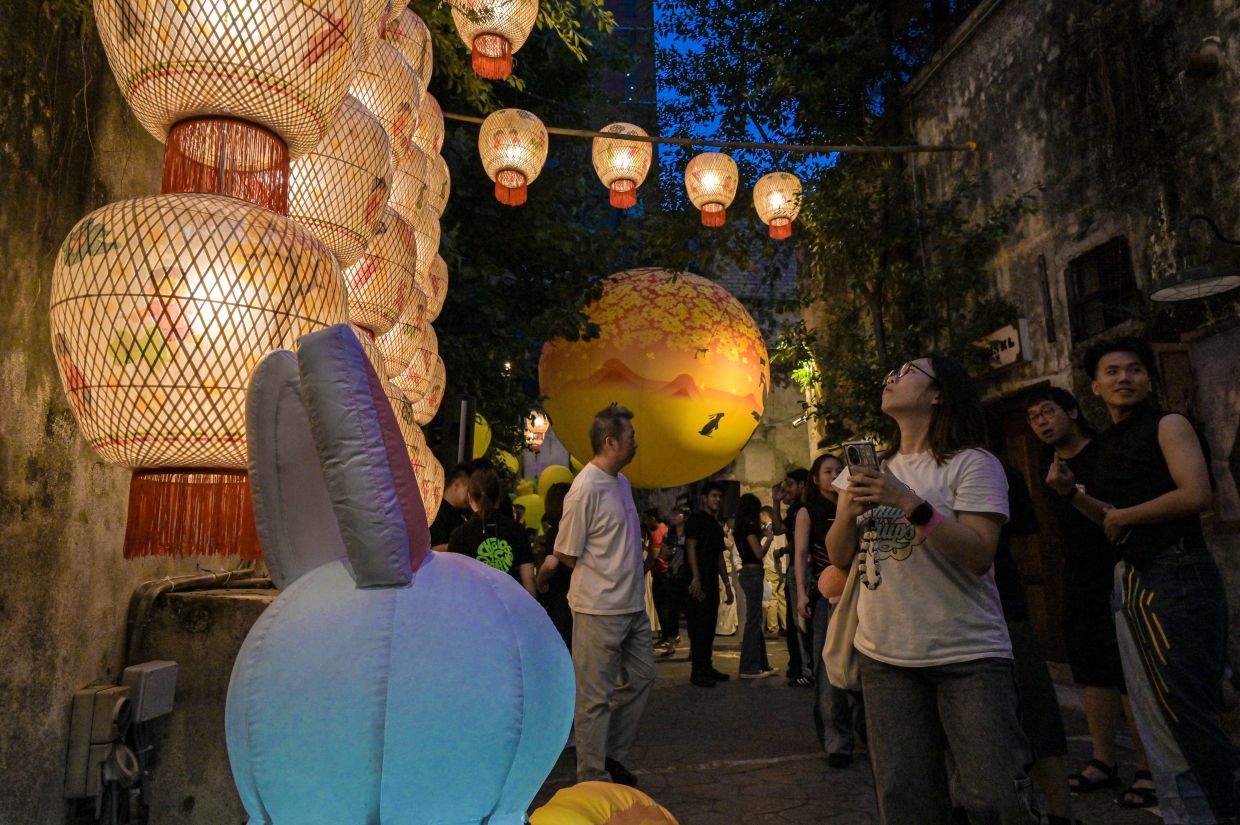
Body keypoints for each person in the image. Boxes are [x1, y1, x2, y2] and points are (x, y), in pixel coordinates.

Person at [826, 356, 1029, 824]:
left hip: (967, 654)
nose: (892, 378)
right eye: (891, 374)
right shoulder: (870, 468)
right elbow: (839, 555)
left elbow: (979, 554)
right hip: (885, 656)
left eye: (907, 372)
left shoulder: (973, 463)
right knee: (905, 799)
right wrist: (847, 512)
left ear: (939, 394)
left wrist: (906, 501)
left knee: (993, 797)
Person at [1046, 337, 1237, 824]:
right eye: (1112, 371)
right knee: (1155, 711)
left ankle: (1223, 808)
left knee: (1185, 705)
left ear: (1149, 378)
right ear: (1095, 386)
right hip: (1132, 578)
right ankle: (1186, 813)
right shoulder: (1107, 445)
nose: (1124, 378)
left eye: (1134, 369)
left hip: (1177, 572)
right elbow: (1109, 517)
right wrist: (1071, 495)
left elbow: (1196, 494)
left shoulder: (1168, 424)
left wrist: (1124, 516)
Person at [1025, 386, 1153, 807]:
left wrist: (1072, 493)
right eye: (1034, 418)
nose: (1042, 422)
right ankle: (1103, 759)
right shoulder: (1049, 463)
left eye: (1048, 412)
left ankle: (1147, 767)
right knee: (1091, 670)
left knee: (1129, 672)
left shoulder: (1105, 452)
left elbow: (1118, 516)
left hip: (1119, 570)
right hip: (1078, 575)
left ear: (1074, 411)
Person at [554, 404, 654, 786]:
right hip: (597, 609)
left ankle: (608, 756)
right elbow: (566, 551)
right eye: (631, 437)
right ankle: (592, 777)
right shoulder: (584, 489)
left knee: (642, 679)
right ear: (610, 442)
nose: (636, 443)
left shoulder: (621, 482)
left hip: (632, 606)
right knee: (593, 698)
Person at [987, 421, 1077, 825]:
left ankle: (1059, 813)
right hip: (973, 612)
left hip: (1003, 609)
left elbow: (1021, 537)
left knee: (1032, 713)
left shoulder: (998, 472)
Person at [796, 452, 862, 768]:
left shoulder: (854, 504)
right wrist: (801, 594)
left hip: (861, 591)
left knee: (864, 663)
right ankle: (837, 740)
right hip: (828, 595)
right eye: (827, 471)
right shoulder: (809, 511)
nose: (834, 475)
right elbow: (801, 554)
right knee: (829, 666)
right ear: (815, 478)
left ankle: (865, 729)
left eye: (838, 469)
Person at [447, 466, 536, 598]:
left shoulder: (460, 534)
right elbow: (529, 578)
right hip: (510, 605)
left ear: (470, 498)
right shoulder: (517, 530)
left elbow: (454, 582)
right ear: (499, 498)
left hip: (475, 605)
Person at [684, 480, 735, 687]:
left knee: (709, 625)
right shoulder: (695, 519)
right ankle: (697, 671)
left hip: (712, 580)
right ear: (704, 498)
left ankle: (706, 666)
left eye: (720, 497)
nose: (717, 500)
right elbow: (690, 547)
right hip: (698, 580)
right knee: (698, 626)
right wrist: (695, 577)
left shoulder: (715, 525)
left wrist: (727, 584)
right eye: (714, 496)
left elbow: (719, 557)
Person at [774, 468, 813, 687]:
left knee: (800, 620)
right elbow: (780, 529)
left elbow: (799, 543)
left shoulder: (802, 508)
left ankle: (804, 669)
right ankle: (799, 666)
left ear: (802, 484)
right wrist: (776, 502)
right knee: (797, 620)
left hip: (803, 569)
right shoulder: (797, 509)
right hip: (800, 567)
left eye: (790, 484)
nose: (786, 489)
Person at [733, 493, 775, 678]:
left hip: (748, 573)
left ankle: (763, 664)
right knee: (753, 620)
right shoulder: (749, 528)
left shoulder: (740, 527)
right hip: (753, 573)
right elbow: (758, 553)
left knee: (756, 619)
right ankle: (748, 667)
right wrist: (769, 539)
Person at [537, 481, 573, 651]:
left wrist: (540, 581)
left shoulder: (555, 532)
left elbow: (551, 563)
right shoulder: (577, 530)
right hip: (580, 595)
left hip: (559, 597)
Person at [430, 462, 473, 551]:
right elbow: (436, 548)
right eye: (468, 490)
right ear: (456, 485)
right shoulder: (437, 511)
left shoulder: (465, 513)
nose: (471, 496)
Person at [760, 505, 786, 635]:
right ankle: (786, 626)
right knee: (782, 597)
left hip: (771, 567)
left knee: (772, 598)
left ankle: (773, 627)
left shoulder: (769, 530)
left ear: (765, 515)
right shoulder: (782, 530)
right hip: (782, 568)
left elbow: (768, 550)